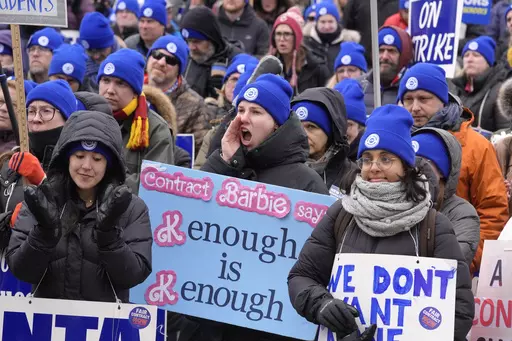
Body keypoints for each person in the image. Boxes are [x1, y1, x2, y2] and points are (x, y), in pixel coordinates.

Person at [288, 104, 474, 341]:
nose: (374, 168)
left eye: (386, 159)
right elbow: (301, 276)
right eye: (367, 159)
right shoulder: (341, 214)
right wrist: (321, 304)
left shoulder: (434, 226)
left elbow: (460, 309)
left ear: (405, 167)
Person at [6, 109, 152, 302]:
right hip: (47, 325)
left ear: (110, 164)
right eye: (79, 156)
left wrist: (108, 236)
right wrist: (44, 233)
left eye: (97, 159)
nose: (86, 166)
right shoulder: (42, 201)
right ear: (66, 158)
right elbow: (22, 271)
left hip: (105, 327)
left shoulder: (131, 207)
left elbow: (134, 274)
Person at [398, 62, 509, 273]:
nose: (415, 107)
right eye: (408, 99)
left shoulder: (477, 147)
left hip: (455, 268)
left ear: (443, 100)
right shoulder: (394, 144)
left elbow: (492, 212)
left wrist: (466, 263)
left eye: (424, 99)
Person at [202, 73, 328, 194]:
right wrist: (225, 161)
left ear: (277, 124)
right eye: (240, 110)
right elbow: (193, 205)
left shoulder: (308, 183)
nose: (243, 118)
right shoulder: (224, 161)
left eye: (256, 112)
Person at [97, 49, 175, 193]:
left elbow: (155, 186)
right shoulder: (85, 118)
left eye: (120, 83)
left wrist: (100, 182)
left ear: (135, 91)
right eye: (106, 80)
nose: (110, 90)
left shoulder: (155, 129)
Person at [412, 128, 480, 267]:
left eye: (424, 163)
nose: (415, 169)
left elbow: (451, 264)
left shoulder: (462, 213)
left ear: (442, 171)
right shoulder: (393, 204)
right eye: (409, 162)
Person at [146, 35, 212, 155]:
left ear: (179, 70)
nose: (161, 62)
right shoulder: (130, 90)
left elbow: (200, 153)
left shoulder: (195, 105)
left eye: (171, 60)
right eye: (157, 55)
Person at [291, 87, 357, 193]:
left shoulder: (353, 178)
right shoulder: (278, 170)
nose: (303, 134)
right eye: (297, 126)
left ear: (331, 132)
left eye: (311, 127)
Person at [450, 36, 511, 132]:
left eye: (476, 55)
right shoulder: (456, 89)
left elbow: (505, 133)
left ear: (488, 62)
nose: (469, 59)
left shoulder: (499, 91)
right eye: (466, 55)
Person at [180, 6, 241, 98]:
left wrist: (223, 93)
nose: (191, 47)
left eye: (197, 41)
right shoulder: (184, 57)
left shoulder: (236, 60)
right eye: (188, 41)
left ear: (212, 39)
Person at [268, 11, 330, 94]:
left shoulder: (316, 67)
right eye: (278, 34)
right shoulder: (269, 66)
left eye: (287, 34)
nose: (282, 39)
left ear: (297, 37)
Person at [360, 25, 413, 115]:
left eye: (391, 51)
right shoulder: (359, 86)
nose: (384, 57)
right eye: (380, 50)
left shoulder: (411, 90)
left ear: (403, 56)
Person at [303, 2, 360, 74]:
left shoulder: (349, 42)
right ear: (316, 23)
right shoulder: (306, 42)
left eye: (330, 21)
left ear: (337, 22)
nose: (327, 26)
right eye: (323, 22)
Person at [79, 12, 120, 93]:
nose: (96, 56)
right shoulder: (80, 66)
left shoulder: (125, 63)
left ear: (111, 45)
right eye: (90, 51)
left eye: (101, 49)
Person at [334, 78, 366, 162]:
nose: (342, 130)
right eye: (337, 123)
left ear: (360, 127)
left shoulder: (366, 161)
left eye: (348, 124)